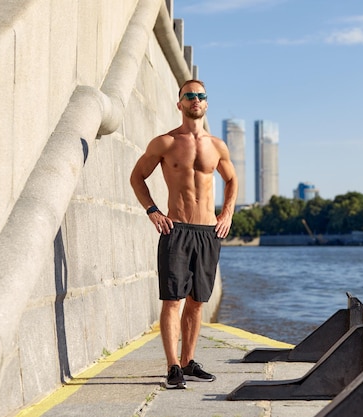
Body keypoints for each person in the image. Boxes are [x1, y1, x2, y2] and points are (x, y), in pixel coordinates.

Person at [130, 79, 238, 389]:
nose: (195, 100)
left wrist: (227, 212)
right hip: (176, 230)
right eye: (189, 96)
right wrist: (153, 211)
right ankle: (172, 366)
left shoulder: (218, 146)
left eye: (201, 96)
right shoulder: (165, 142)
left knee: (196, 302)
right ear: (180, 104)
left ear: (206, 104)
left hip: (207, 232)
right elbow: (137, 177)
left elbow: (232, 181)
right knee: (173, 301)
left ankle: (189, 362)